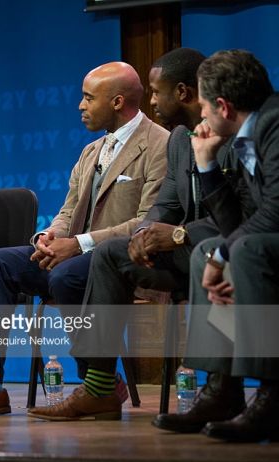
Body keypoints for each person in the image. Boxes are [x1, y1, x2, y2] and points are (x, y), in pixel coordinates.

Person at [0, 61, 169, 417]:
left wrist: (79, 244)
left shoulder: (160, 145)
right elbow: (68, 210)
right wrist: (49, 235)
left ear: (117, 101)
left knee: (65, 276)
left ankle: (98, 383)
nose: (81, 105)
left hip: (123, 262)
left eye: (89, 98)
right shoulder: (92, 151)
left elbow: (147, 222)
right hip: (75, 256)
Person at [28, 48, 227, 421]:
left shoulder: (221, 136)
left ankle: (221, 389)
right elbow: (165, 204)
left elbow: (233, 218)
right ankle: (100, 386)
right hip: (179, 251)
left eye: (157, 92)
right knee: (110, 255)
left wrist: (179, 234)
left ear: (182, 92)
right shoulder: (180, 140)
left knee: (78, 269)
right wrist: (144, 235)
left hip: (216, 248)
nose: (151, 101)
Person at [152, 50, 279, 442]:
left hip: (267, 243)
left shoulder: (274, 125)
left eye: (205, 106)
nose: (202, 114)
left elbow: (275, 210)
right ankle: (222, 390)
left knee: (242, 251)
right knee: (205, 251)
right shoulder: (245, 135)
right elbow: (236, 224)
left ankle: (272, 395)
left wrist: (225, 253)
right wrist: (206, 164)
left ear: (223, 106)